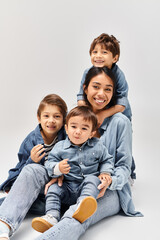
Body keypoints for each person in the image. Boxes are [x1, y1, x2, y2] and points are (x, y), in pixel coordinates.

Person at [35, 66, 143, 240]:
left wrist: (109, 180)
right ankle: (7, 222)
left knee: (79, 215)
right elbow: (60, 150)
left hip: (107, 188)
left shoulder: (120, 122)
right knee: (41, 183)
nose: (101, 93)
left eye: (108, 89)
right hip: (73, 183)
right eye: (96, 86)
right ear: (85, 88)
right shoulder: (77, 117)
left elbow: (124, 166)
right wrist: (56, 172)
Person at [32, 106, 114, 233]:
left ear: (92, 133)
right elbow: (50, 163)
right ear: (66, 128)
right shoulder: (60, 147)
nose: (78, 131)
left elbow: (107, 160)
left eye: (84, 128)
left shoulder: (97, 146)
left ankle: (82, 206)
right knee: (54, 188)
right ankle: (52, 216)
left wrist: (105, 172)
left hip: (86, 187)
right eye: (74, 127)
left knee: (93, 180)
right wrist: (58, 168)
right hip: (67, 186)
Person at [0, 94, 67, 240]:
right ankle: (4, 225)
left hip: (55, 192)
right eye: (46, 116)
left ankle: (11, 202)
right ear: (39, 118)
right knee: (31, 171)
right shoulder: (31, 140)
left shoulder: (68, 138)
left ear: (64, 120)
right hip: (38, 187)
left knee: (48, 206)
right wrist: (32, 160)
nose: (51, 121)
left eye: (57, 116)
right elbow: (20, 171)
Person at [77, 33, 136, 180]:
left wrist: (103, 114)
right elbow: (80, 97)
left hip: (118, 111)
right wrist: (88, 113)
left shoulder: (118, 75)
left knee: (122, 142)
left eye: (104, 52)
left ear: (115, 58)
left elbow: (122, 104)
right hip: (96, 109)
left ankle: (128, 173)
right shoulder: (88, 73)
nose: (98, 56)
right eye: (95, 52)